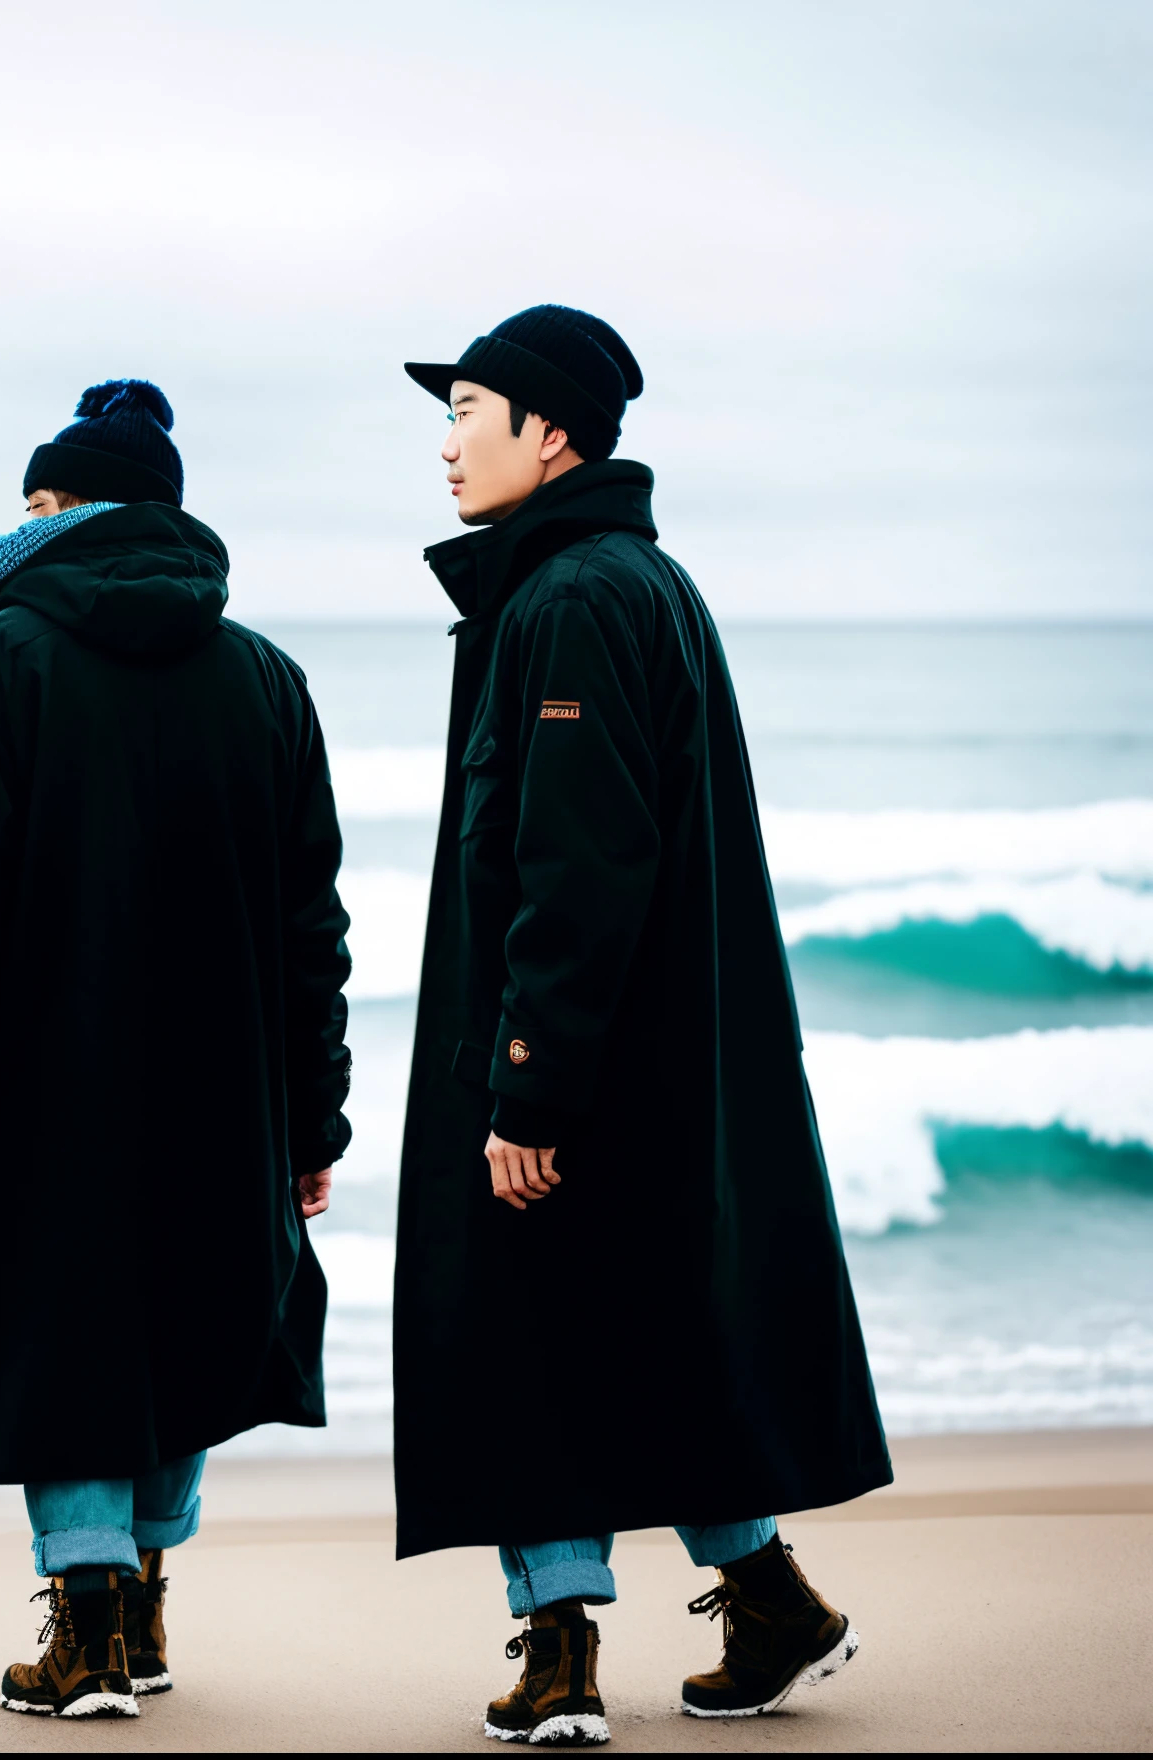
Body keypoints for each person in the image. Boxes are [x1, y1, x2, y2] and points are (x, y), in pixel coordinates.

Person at [393, 306, 891, 1745]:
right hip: (649, 1058)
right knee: (632, 1332)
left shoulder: (568, 602)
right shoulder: (625, 582)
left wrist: (530, 1086)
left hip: (582, 1059)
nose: (446, 443)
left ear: (550, 432)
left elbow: (579, 862)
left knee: (523, 1334)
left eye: (469, 411)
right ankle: (768, 1600)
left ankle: (559, 1659)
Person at [0, 380, 354, 1719]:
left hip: (37, 1086)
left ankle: (84, 1622)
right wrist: (314, 1117)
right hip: (222, 1088)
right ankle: (136, 1600)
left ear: (72, 513)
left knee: (57, 1323)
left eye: (33, 505)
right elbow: (313, 923)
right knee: (191, 1319)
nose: (16, 529)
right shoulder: (265, 679)